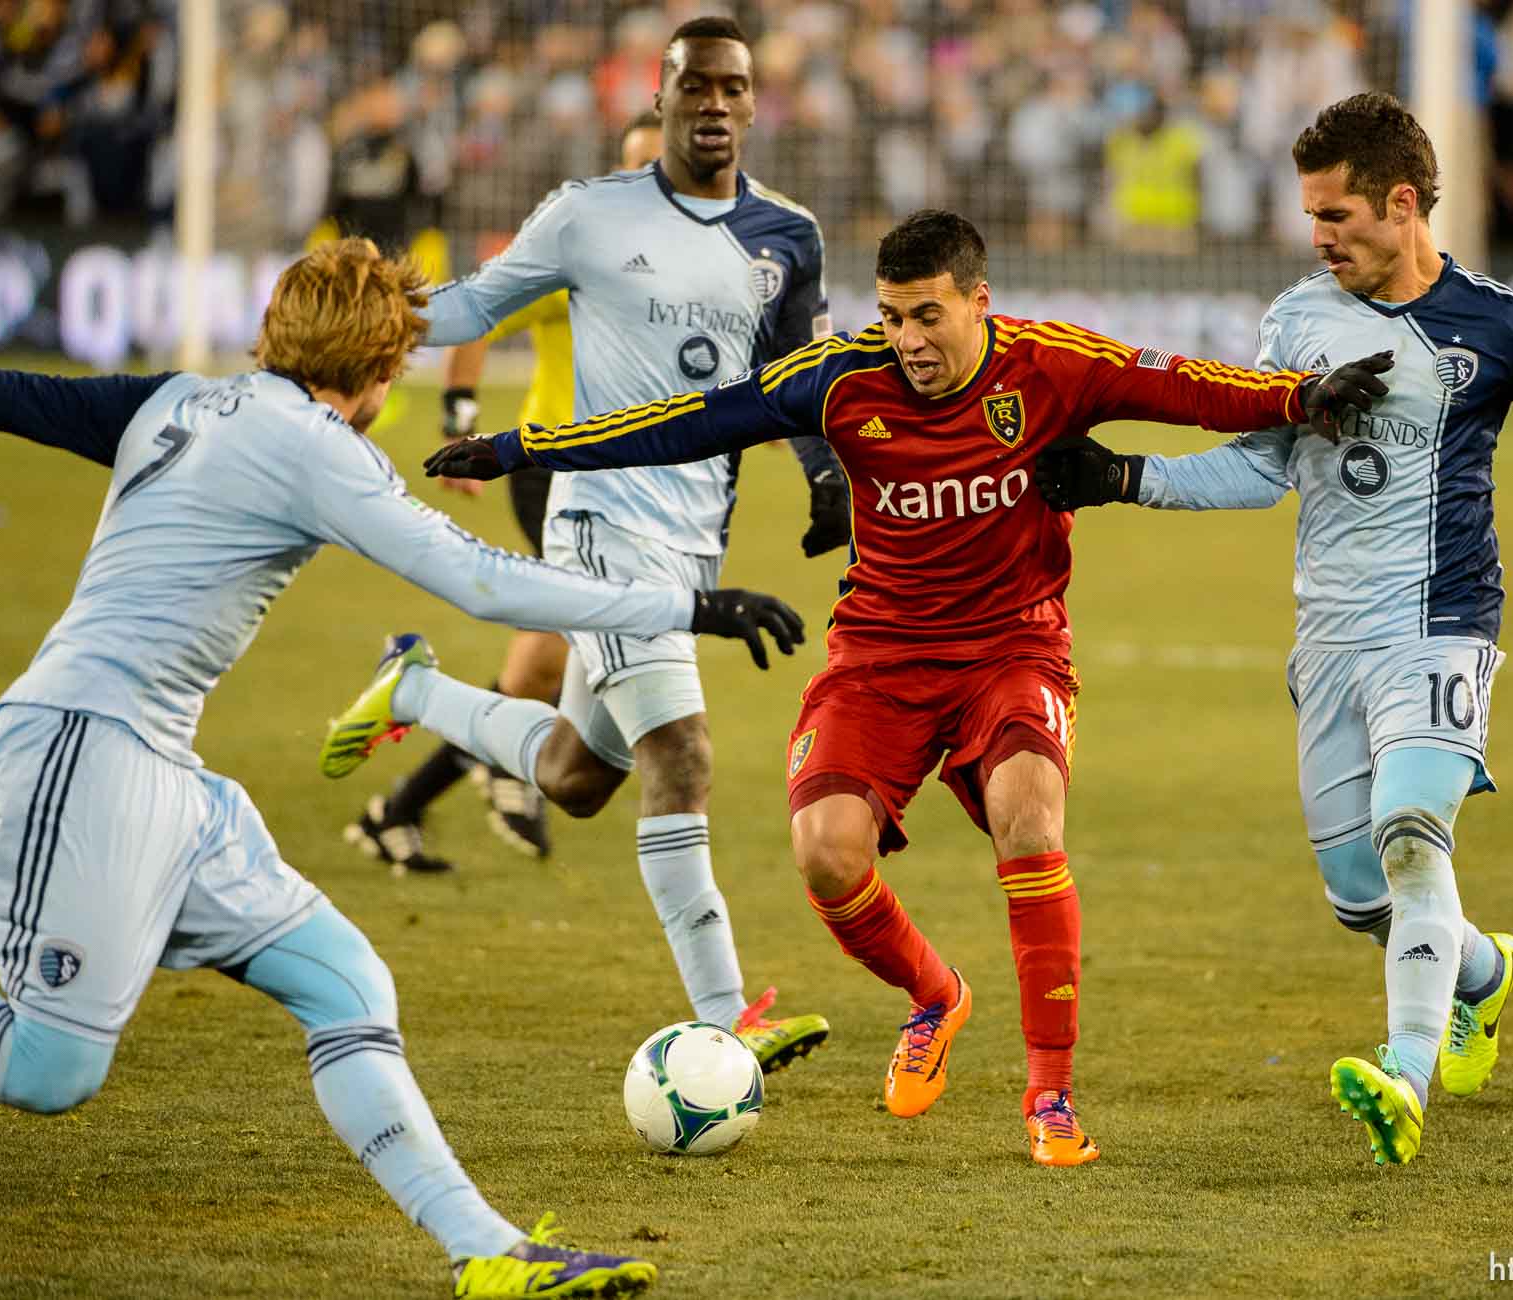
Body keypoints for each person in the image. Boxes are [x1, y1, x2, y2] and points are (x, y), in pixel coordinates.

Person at [0, 238, 804, 1298]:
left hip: (161, 772)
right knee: (50, 1070)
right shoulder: (318, 448)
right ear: (375, 368)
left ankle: (491, 1256)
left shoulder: (178, 399)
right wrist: (688, 605)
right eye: (398, 366)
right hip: (81, 751)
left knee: (346, 981)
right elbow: (486, 582)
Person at [404, 208, 1394, 1166]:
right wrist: (521, 447)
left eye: (928, 315)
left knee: (1030, 819)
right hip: (880, 652)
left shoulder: (1050, 364)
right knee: (826, 854)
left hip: (1014, 649)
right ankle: (935, 996)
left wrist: (1300, 396)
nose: (908, 339)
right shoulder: (839, 381)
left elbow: (1185, 385)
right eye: (891, 315)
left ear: (979, 302)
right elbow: (687, 423)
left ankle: (1050, 1098)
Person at [1036, 92, 1513, 1168]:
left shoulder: (1498, 322)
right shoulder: (1296, 319)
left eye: (1337, 215)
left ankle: (1403, 1075)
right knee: (1360, 895)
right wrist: (1122, 476)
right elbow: (1259, 467)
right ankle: (1481, 974)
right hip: (1328, 639)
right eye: (1313, 217)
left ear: (1402, 202)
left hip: (1442, 621)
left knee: (1414, 831)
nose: (1319, 238)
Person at [393, 16, 844, 1076]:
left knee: (576, 775)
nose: (718, 106)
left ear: (753, 101)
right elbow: (469, 306)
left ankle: (412, 693)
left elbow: (801, 374)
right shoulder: (588, 215)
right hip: (596, 521)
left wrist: (827, 481)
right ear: (660, 97)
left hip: (693, 539)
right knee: (680, 757)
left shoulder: (788, 235)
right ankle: (730, 1019)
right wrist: (369, 307)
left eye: (735, 88)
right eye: (697, 87)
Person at [348, 111, 667, 873]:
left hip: (632, 481)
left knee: (551, 661)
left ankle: (403, 806)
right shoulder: (588, 254)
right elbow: (482, 313)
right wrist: (459, 414)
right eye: (636, 168)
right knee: (581, 649)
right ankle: (493, 765)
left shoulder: (689, 264)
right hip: (551, 471)